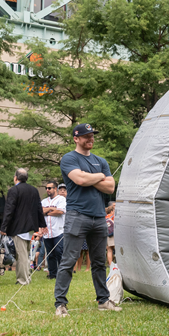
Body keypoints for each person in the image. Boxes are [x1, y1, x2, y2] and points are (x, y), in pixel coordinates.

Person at [54, 123, 120, 317]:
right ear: (76, 138)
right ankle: (60, 304)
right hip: (77, 215)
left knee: (99, 262)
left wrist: (90, 178)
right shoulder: (69, 158)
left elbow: (110, 188)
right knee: (68, 261)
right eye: (86, 136)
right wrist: (99, 176)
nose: (90, 139)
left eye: (92, 135)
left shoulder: (101, 160)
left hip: (99, 217)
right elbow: (79, 180)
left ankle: (103, 301)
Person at [0, 168, 45, 286]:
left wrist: (4, 227)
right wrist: (42, 224)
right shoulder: (34, 190)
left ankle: (23, 280)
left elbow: (9, 210)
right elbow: (39, 208)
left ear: (15, 178)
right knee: (25, 253)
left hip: (18, 227)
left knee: (22, 255)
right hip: (30, 227)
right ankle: (25, 278)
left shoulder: (14, 190)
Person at [40, 180, 65, 279]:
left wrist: (47, 211)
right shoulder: (44, 201)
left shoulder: (61, 199)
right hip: (47, 231)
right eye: (46, 188)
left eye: (49, 188)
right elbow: (40, 212)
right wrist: (50, 210)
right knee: (50, 254)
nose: (47, 190)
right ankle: (52, 274)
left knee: (59, 252)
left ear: (55, 189)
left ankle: (63, 274)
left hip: (58, 230)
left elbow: (60, 211)